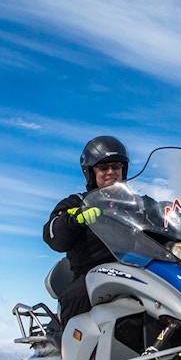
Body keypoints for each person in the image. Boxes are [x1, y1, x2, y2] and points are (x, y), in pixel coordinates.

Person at [43, 135, 129, 328]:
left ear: (124, 170)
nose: (110, 172)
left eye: (116, 166)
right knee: (77, 295)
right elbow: (52, 234)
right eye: (102, 167)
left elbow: (165, 216)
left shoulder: (139, 205)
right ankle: (71, 354)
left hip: (137, 270)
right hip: (91, 273)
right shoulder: (76, 202)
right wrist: (74, 220)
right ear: (91, 171)